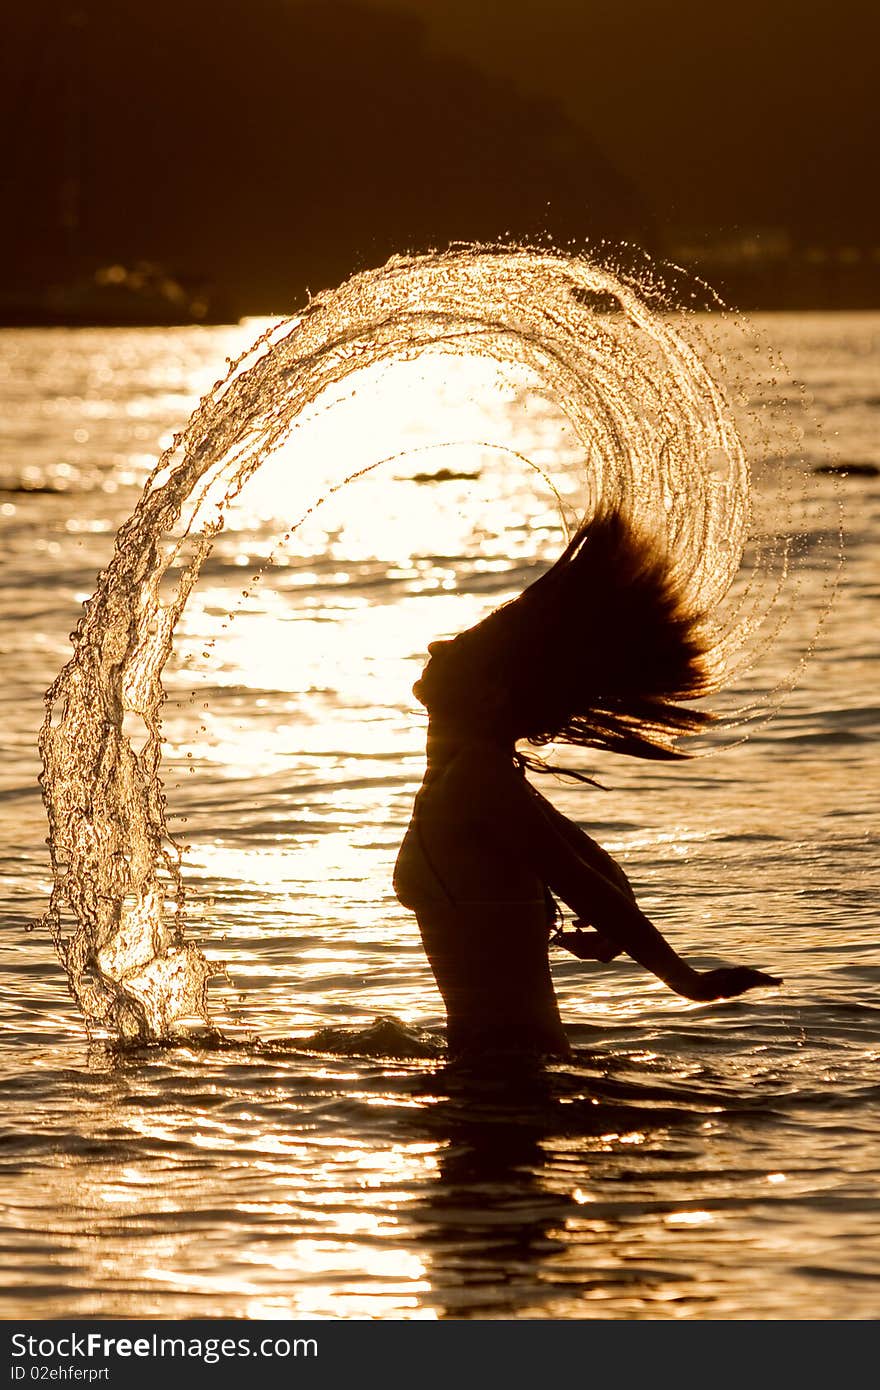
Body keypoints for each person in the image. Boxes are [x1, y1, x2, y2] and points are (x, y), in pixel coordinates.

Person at [394, 508, 780, 1058]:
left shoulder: (478, 779)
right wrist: (614, 932)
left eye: (460, 647)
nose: (437, 647)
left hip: (508, 1079)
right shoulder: (480, 776)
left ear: (489, 695)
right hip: (508, 1071)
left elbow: (580, 881)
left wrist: (683, 981)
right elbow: (600, 869)